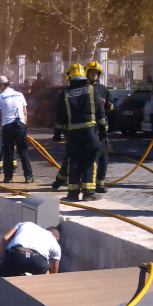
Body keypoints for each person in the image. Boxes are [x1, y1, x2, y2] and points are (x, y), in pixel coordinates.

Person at [54, 63, 107, 202]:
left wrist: (57, 132)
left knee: (74, 161)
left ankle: (73, 193)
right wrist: (103, 128)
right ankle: (89, 193)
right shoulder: (91, 89)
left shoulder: (64, 93)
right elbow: (100, 111)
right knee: (90, 160)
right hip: (90, 131)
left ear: (70, 77)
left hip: (73, 134)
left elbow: (60, 115)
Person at [0, 75, 32, 183]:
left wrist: (1, 125)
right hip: (20, 125)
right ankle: (28, 176)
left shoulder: (0, 97)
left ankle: (8, 177)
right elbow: (25, 112)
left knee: (8, 152)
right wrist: (24, 126)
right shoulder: (19, 94)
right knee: (23, 151)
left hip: (8, 126)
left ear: (2, 85)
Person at [85, 60, 113, 193]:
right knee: (88, 156)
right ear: (87, 73)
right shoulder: (84, 88)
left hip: (101, 128)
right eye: (92, 72)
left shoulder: (103, 89)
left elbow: (112, 106)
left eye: (96, 72)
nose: (94, 74)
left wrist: (106, 103)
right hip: (87, 128)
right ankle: (86, 182)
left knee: (104, 154)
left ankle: (100, 183)